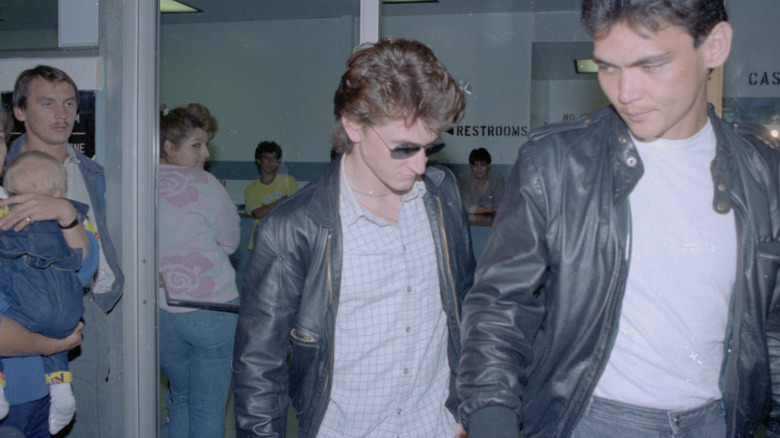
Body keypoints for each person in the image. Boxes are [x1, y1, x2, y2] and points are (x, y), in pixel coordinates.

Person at [457, 1, 780, 437]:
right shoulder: (555, 163)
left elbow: (771, 325)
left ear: (715, 46)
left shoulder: (762, 174)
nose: (626, 92)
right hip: (590, 419)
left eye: (651, 65)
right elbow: (501, 305)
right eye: (607, 68)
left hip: (719, 421)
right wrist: (490, 422)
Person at [233, 38, 474, 438]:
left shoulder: (441, 194)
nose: (420, 165)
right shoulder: (293, 229)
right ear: (353, 125)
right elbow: (259, 370)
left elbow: (466, 307)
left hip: (435, 427)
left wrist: (467, 408)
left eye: (431, 147)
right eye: (404, 149)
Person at [5, 65, 124, 437]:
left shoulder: (91, 172)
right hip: (13, 312)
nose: (62, 114)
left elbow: (97, 247)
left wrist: (102, 298)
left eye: (69, 103)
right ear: (20, 111)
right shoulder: (5, 172)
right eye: (47, 103)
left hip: (81, 308)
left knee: (87, 420)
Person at [0, 106, 87, 437]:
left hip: (37, 391)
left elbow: (85, 266)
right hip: (20, 390)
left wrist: (66, 213)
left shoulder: (17, 205)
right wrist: (51, 345)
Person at [158, 103, 240, 438]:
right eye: (196, 144)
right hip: (212, 311)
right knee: (208, 408)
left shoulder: (138, 182)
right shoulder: (205, 183)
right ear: (168, 147)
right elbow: (230, 241)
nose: (205, 152)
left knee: (180, 398)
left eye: (205, 143)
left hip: (163, 313)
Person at [243, 141, 298, 249]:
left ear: (278, 161)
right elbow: (258, 214)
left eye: (274, 158)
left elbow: (293, 208)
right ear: (258, 161)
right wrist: (282, 200)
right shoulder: (251, 189)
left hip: (285, 241)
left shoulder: (289, 181)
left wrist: (266, 208)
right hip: (261, 242)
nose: (270, 162)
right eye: (266, 158)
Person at [457, 147, 504, 215]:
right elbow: (466, 207)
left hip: (493, 220)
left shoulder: (497, 178)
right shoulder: (464, 178)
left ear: (489, 165)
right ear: (471, 166)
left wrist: (492, 209)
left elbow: (500, 205)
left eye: (482, 165)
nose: (479, 169)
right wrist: (490, 209)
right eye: (475, 165)